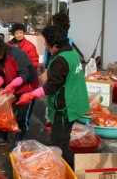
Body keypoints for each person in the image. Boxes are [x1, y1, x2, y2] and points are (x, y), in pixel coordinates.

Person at [16, 25, 89, 169]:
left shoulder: (61, 60)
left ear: (55, 45)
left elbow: (51, 87)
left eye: (46, 43)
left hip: (65, 107)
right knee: (62, 140)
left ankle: (74, 171)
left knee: (59, 145)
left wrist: (31, 95)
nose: (45, 45)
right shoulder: (71, 51)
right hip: (75, 101)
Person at [0, 35, 39, 151]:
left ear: (1, 49)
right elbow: (1, 73)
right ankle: (2, 137)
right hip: (12, 87)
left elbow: (24, 74)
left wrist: (11, 85)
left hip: (27, 88)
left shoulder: (16, 54)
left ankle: (18, 140)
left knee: (21, 117)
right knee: (6, 114)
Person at [41, 12, 73, 131]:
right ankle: (51, 119)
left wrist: (47, 71)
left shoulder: (64, 40)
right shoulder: (53, 36)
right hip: (49, 67)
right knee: (51, 96)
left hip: (53, 70)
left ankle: (55, 122)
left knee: (54, 92)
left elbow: (59, 59)